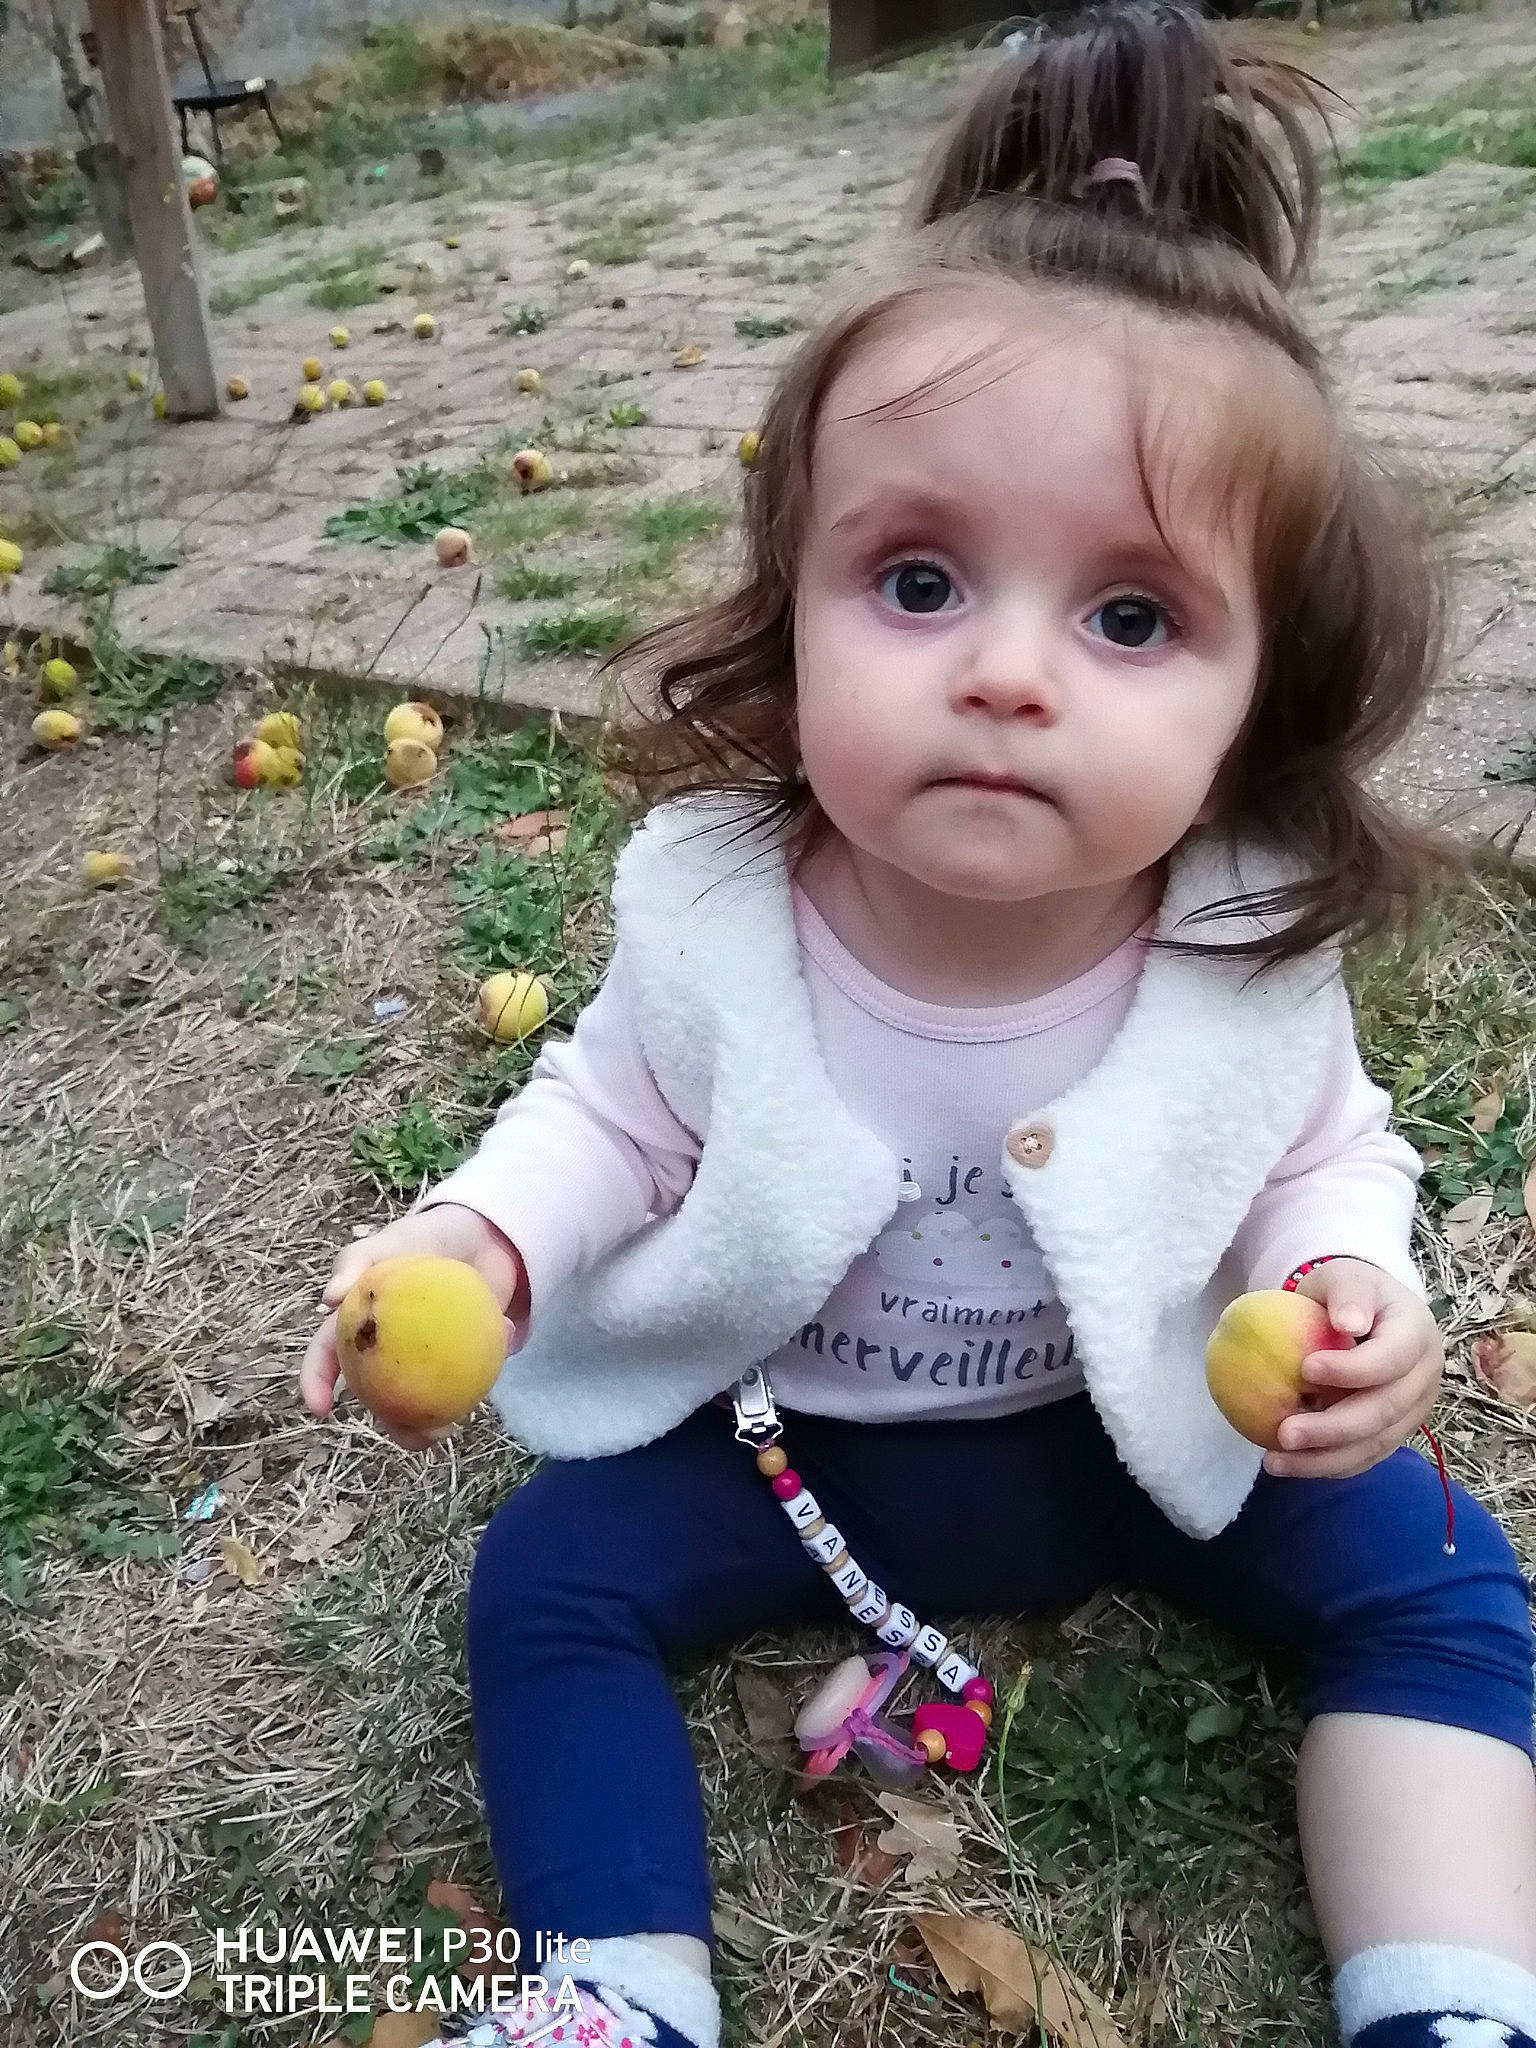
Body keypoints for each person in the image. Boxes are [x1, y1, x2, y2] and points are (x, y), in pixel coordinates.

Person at [299, 5, 1536, 2044]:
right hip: (787, 1444)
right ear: (792, 594)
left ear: (1261, 698)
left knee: (1435, 1576)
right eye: (922, 578)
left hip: (1142, 1428)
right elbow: (605, 1115)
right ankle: (617, 1990)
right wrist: (480, 1244)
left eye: (1132, 617)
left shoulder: (1238, 936)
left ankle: (1453, 1998)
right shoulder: (721, 907)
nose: (1011, 674)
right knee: (545, 1585)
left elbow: (1328, 1148)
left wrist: (1344, 1286)